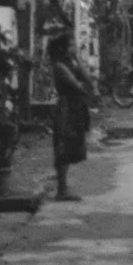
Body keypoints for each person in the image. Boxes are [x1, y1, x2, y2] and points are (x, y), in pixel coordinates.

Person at [45, 29, 93, 202]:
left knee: (70, 146)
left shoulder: (70, 64)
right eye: (71, 44)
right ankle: (62, 189)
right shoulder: (59, 66)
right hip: (66, 107)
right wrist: (85, 89)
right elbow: (78, 85)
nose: (74, 47)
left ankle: (63, 188)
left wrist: (78, 60)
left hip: (75, 107)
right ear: (64, 48)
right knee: (64, 147)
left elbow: (86, 78)